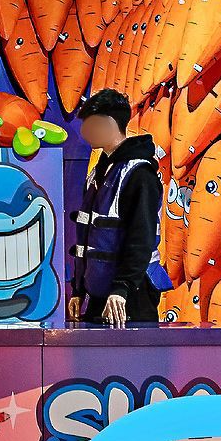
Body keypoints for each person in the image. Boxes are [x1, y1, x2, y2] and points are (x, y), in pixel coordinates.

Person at [69, 89, 165, 327]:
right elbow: (88, 237)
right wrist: (79, 289)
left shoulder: (140, 174)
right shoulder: (99, 172)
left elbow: (141, 237)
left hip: (132, 293)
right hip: (100, 292)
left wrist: (122, 287)